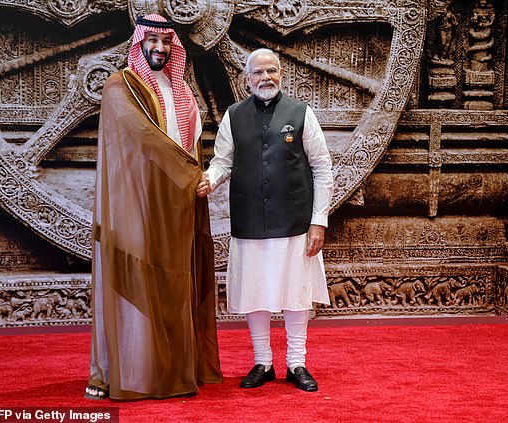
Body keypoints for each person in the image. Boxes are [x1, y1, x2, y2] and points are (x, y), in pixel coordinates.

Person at [85, 14, 222, 400]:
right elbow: (144, 139)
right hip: (141, 204)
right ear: (140, 42)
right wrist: (188, 174)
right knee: (140, 280)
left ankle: (173, 369)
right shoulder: (121, 85)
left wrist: (195, 176)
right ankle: (131, 373)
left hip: (178, 206)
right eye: (154, 41)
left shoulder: (180, 88)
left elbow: (190, 142)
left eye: (167, 42)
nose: (160, 48)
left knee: (175, 282)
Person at [196, 48, 333, 392]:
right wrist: (209, 179)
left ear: (281, 75)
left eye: (272, 71)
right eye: (258, 73)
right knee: (255, 293)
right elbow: (223, 161)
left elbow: (322, 167)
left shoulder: (301, 113)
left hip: (295, 222)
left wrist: (319, 221)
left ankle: (297, 363)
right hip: (250, 220)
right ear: (247, 80)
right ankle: (263, 362)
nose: (265, 78)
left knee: (296, 294)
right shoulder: (233, 116)